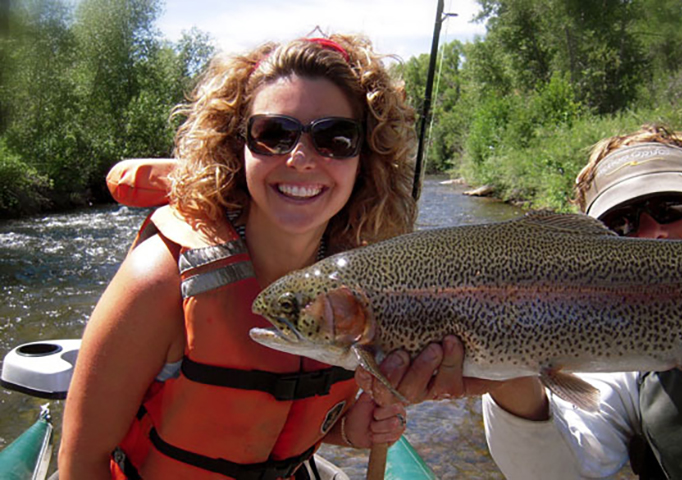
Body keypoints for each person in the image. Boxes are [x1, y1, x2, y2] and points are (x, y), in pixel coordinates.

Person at [60, 34, 427, 479]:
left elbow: (291, 417)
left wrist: (353, 428)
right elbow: (82, 461)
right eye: (274, 134)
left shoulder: (359, 292)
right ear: (239, 148)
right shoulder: (159, 280)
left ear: (364, 159)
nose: (301, 158)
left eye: (334, 138)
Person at [482, 124, 682, 479]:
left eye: (673, 206)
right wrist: (504, 373)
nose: (654, 233)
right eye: (621, 225)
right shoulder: (598, 347)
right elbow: (557, 472)